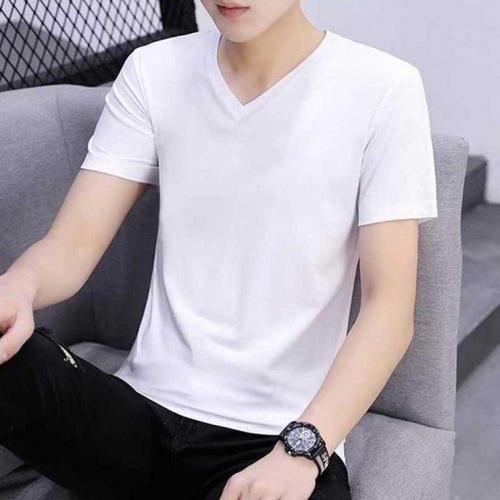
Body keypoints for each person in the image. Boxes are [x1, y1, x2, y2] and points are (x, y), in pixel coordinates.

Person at [0, 0, 438, 499]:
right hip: (138, 418)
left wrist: (302, 451)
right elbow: (69, 247)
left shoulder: (384, 88)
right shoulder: (154, 71)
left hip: (273, 440)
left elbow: (389, 312)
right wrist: (20, 284)